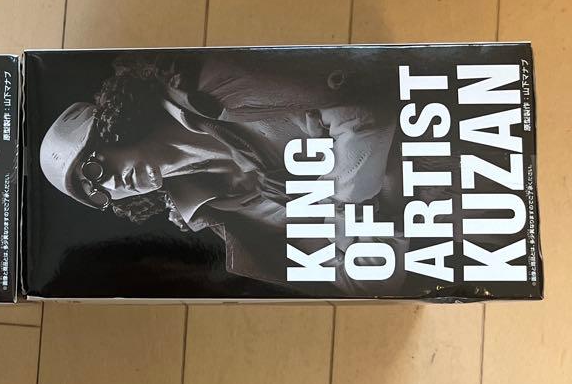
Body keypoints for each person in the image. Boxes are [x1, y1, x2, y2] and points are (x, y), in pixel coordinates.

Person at [38, 51, 407, 295]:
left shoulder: (203, 85)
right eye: (98, 194)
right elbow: (365, 282)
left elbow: (363, 108)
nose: (112, 185)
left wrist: (339, 198)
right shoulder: (211, 210)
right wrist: (360, 210)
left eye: (94, 167)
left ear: (112, 124)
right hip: (424, 217)